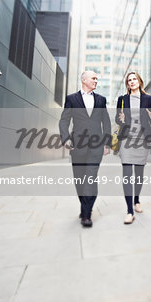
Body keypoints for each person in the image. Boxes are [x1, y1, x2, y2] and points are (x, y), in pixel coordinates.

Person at [59, 70, 111, 227]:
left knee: (91, 178)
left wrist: (107, 143)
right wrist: (66, 138)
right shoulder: (71, 99)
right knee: (79, 179)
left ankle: (87, 214)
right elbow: (64, 121)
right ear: (84, 80)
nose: (96, 81)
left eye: (97, 78)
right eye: (93, 78)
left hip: (96, 147)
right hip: (77, 147)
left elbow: (106, 123)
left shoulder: (101, 100)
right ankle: (84, 205)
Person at [115, 71, 151, 224]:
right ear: (127, 84)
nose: (132, 82)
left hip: (142, 139)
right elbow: (117, 119)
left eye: (134, 79)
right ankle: (129, 211)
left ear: (139, 81)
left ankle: (136, 200)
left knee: (139, 174)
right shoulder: (122, 99)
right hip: (126, 139)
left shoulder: (148, 99)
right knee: (127, 173)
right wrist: (121, 119)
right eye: (129, 80)